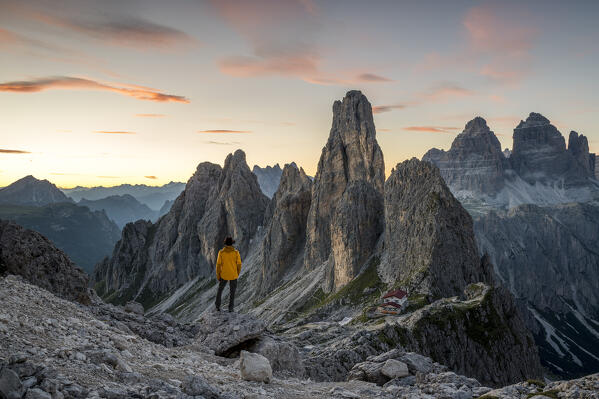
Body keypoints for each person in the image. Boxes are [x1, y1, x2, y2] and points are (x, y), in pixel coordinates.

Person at [215, 236, 242, 312]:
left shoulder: (221, 252)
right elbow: (239, 264)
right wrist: (237, 273)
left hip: (224, 274)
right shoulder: (236, 252)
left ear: (225, 244)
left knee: (220, 290)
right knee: (232, 292)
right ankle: (231, 308)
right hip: (233, 275)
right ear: (232, 244)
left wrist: (218, 275)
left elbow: (218, 265)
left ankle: (217, 306)